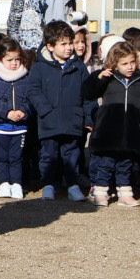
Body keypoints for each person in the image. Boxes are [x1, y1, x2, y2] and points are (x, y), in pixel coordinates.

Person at [82, 40, 140, 206]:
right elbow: (88, 92)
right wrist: (99, 77)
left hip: (130, 131)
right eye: (124, 64)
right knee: (105, 163)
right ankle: (100, 192)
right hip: (108, 131)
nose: (129, 67)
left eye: (132, 62)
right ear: (114, 64)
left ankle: (125, 193)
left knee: (126, 164)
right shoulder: (108, 80)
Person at [29, 20, 89, 202]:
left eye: (70, 43)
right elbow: (33, 90)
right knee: (48, 155)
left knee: (72, 155)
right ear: (50, 46)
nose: (69, 48)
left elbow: (88, 94)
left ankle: (72, 185)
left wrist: (87, 118)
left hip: (73, 120)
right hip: (49, 121)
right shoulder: (39, 67)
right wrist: (46, 110)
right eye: (63, 44)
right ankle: (48, 185)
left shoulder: (79, 67)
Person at [0, 36, 34, 199]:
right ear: (0, 59)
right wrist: (7, 113)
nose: (14, 63)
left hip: (20, 127)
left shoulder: (26, 78)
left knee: (17, 158)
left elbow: (32, 99)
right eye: (10, 60)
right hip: (0, 126)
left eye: (17, 59)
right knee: (2, 157)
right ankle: (4, 183)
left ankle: (17, 184)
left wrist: (24, 111)